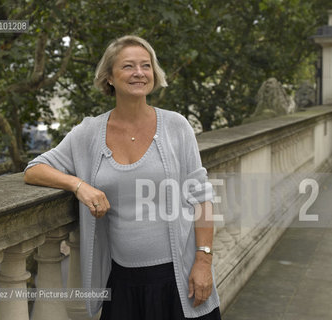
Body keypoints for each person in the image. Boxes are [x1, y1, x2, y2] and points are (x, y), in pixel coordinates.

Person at [24, 35, 221, 320]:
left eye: (146, 65)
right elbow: (34, 169)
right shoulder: (88, 133)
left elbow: (201, 197)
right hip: (122, 283)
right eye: (128, 66)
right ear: (109, 78)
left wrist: (203, 260)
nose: (139, 73)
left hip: (179, 279)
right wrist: (79, 186)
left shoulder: (176, 126)